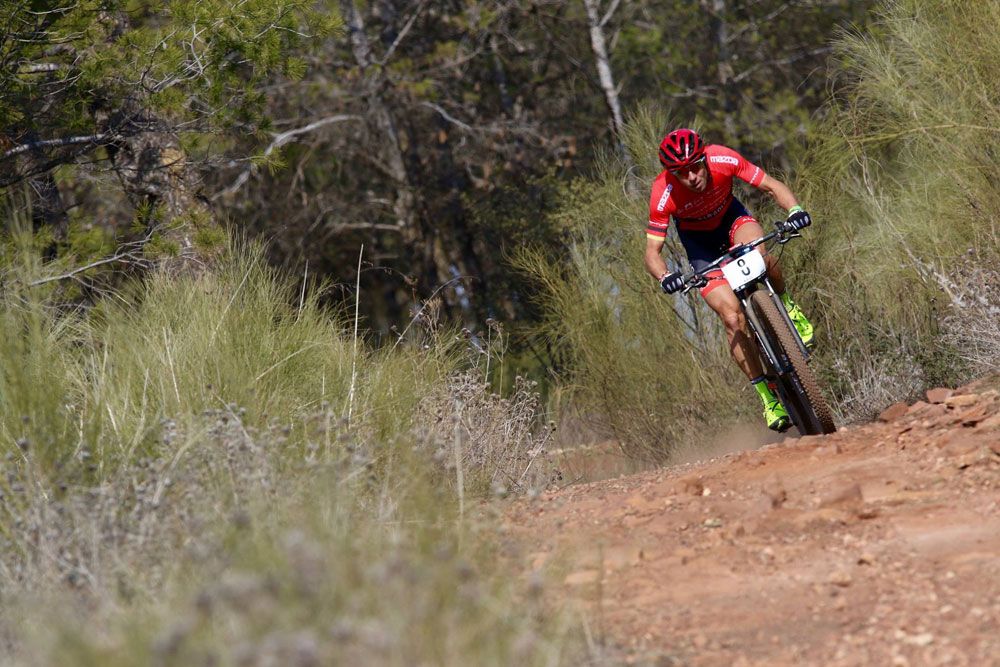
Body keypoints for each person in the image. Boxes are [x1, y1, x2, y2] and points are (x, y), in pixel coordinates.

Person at [643, 128, 814, 432]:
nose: (692, 176)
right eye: (682, 173)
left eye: (696, 166)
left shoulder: (722, 157)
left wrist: (795, 210)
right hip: (699, 246)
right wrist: (666, 276)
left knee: (761, 257)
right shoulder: (663, 192)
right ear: (671, 174)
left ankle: (788, 307)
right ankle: (767, 396)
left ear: (705, 159)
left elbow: (771, 186)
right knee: (732, 317)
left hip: (732, 220)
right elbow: (652, 252)